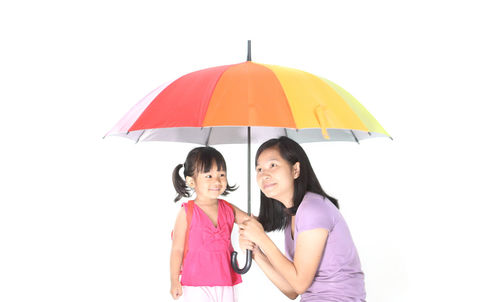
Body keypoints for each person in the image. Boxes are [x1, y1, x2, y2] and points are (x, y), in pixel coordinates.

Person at [239, 136, 366, 301]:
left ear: (295, 170)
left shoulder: (312, 209)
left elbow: (299, 284)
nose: (265, 175)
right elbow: (292, 290)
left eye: (273, 165)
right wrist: (256, 252)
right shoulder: (293, 214)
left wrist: (262, 238)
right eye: (259, 169)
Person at [170, 146, 248, 302]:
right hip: (195, 284)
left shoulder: (228, 208)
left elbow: (251, 223)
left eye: (221, 174)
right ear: (191, 181)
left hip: (226, 280)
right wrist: (174, 280)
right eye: (209, 176)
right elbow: (177, 249)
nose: (217, 181)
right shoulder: (187, 212)